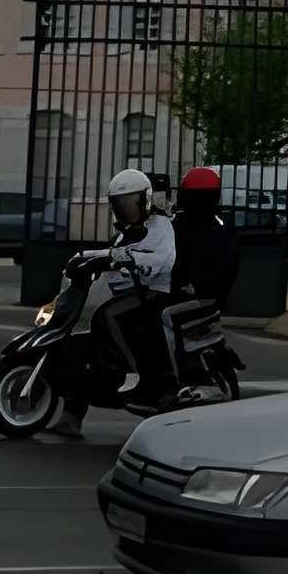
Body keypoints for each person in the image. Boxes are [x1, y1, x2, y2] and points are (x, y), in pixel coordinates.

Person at [49, 167, 177, 439]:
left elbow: (163, 259)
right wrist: (83, 257)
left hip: (152, 293)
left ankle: (136, 375)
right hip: (126, 293)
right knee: (82, 339)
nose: (125, 209)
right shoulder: (126, 231)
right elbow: (113, 252)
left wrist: (126, 259)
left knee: (107, 317)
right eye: (120, 204)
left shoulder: (160, 226)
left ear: (145, 199)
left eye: (131, 203)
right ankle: (72, 411)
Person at [171, 166, 239, 308]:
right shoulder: (224, 225)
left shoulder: (176, 224)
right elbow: (230, 268)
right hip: (212, 297)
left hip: (179, 298)